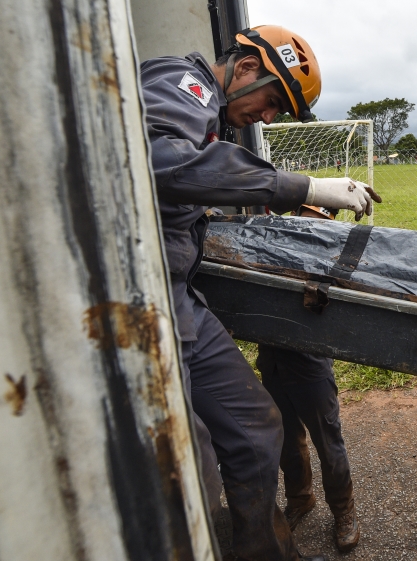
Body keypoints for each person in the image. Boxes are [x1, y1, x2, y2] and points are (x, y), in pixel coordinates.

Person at [141, 25, 379, 561]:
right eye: (272, 101)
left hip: (179, 300)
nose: (267, 118)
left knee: (255, 429)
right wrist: (303, 186)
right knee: (188, 468)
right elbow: (162, 162)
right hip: (142, 304)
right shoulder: (186, 85)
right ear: (247, 68)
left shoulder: (212, 120)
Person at [256, 205, 360, 553]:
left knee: (327, 442)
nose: (308, 221)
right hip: (271, 358)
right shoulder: (274, 242)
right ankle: (301, 498)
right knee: (286, 438)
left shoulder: (334, 256)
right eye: (305, 213)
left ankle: (344, 510)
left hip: (309, 363)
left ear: (329, 224)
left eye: (318, 218)